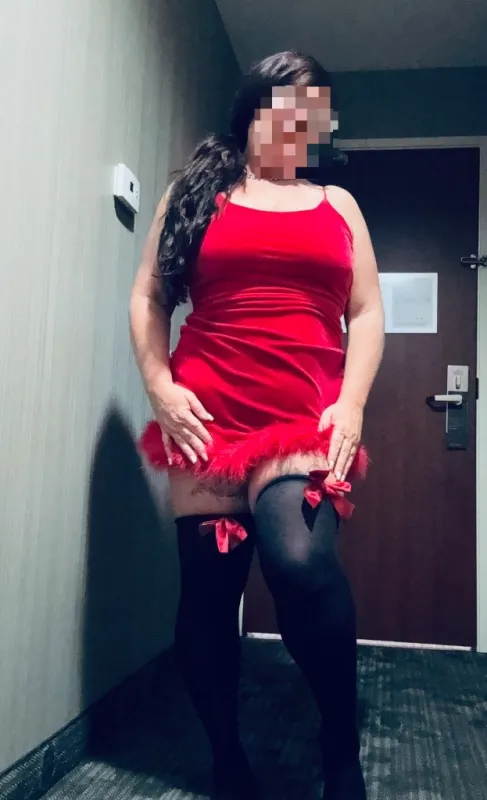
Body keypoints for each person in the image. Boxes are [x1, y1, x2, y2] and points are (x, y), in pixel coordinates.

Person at [130, 50, 384, 800]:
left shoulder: (337, 204)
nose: (300, 122)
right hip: (207, 414)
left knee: (299, 563)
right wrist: (159, 387)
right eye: (287, 104)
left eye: (313, 111)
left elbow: (368, 312)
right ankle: (227, 759)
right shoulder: (196, 193)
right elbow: (149, 298)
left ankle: (339, 746)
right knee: (209, 594)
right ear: (253, 111)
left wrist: (352, 401)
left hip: (302, 415)